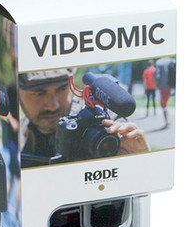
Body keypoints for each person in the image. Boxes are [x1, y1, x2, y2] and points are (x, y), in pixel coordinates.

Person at [18, 69, 149, 165]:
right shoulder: (14, 134)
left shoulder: (106, 121)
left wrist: (138, 162)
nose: (53, 105)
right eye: (39, 93)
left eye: (62, 89)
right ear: (18, 93)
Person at [154, 57, 176, 128]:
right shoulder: (172, 60)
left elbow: (157, 76)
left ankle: (166, 122)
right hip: (171, 85)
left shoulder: (158, 62)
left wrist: (157, 85)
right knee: (166, 103)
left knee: (163, 105)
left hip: (162, 87)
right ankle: (167, 122)